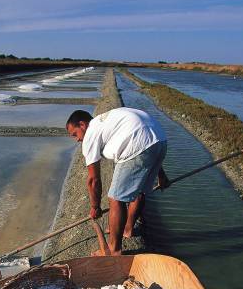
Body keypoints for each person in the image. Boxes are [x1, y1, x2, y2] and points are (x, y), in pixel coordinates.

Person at [66, 107, 169, 256]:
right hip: (160, 141)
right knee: (138, 191)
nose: (77, 139)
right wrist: (161, 174)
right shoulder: (107, 120)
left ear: (82, 124)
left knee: (115, 198)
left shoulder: (91, 133)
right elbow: (148, 139)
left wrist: (95, 206)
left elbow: (93, 179)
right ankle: (127, 228)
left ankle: (113, 249)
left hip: (136, 146)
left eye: (75, 134)